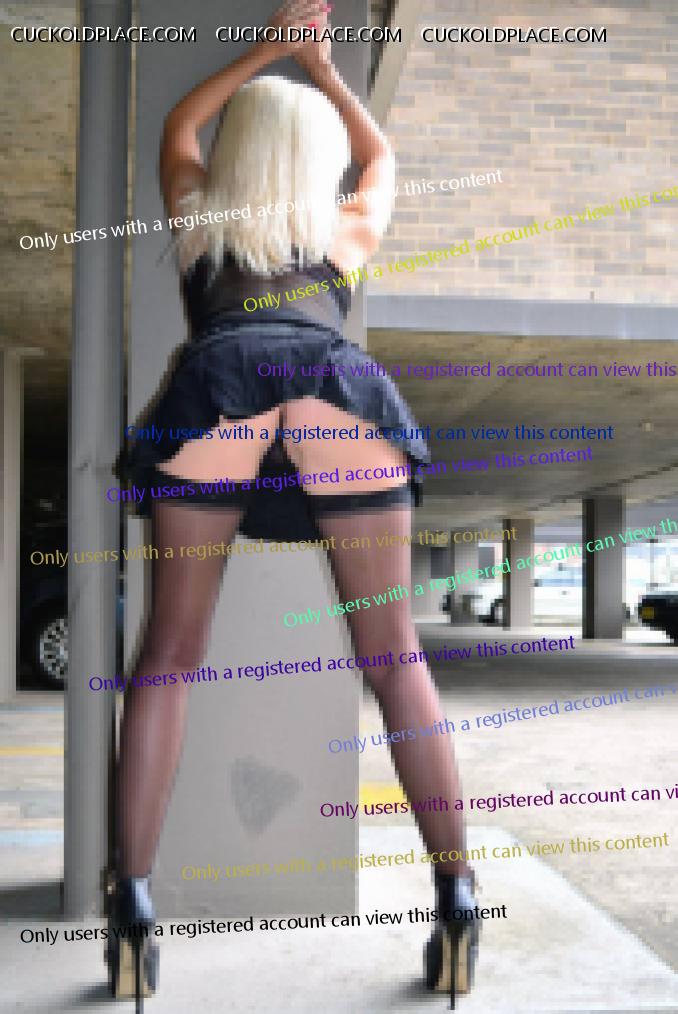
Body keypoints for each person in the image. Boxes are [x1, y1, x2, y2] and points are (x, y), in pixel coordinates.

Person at [109, 3, 479, 1008]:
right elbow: (381, 158)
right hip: (334, 387)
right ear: (314, 165)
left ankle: (131, 907)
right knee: (394, 659)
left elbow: (179, 127)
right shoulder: (342, 232)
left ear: (238, 157)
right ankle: (457, 897)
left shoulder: (200, 224)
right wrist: (324, 68)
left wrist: (269, 54)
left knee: (168, 657)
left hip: (219, 381)